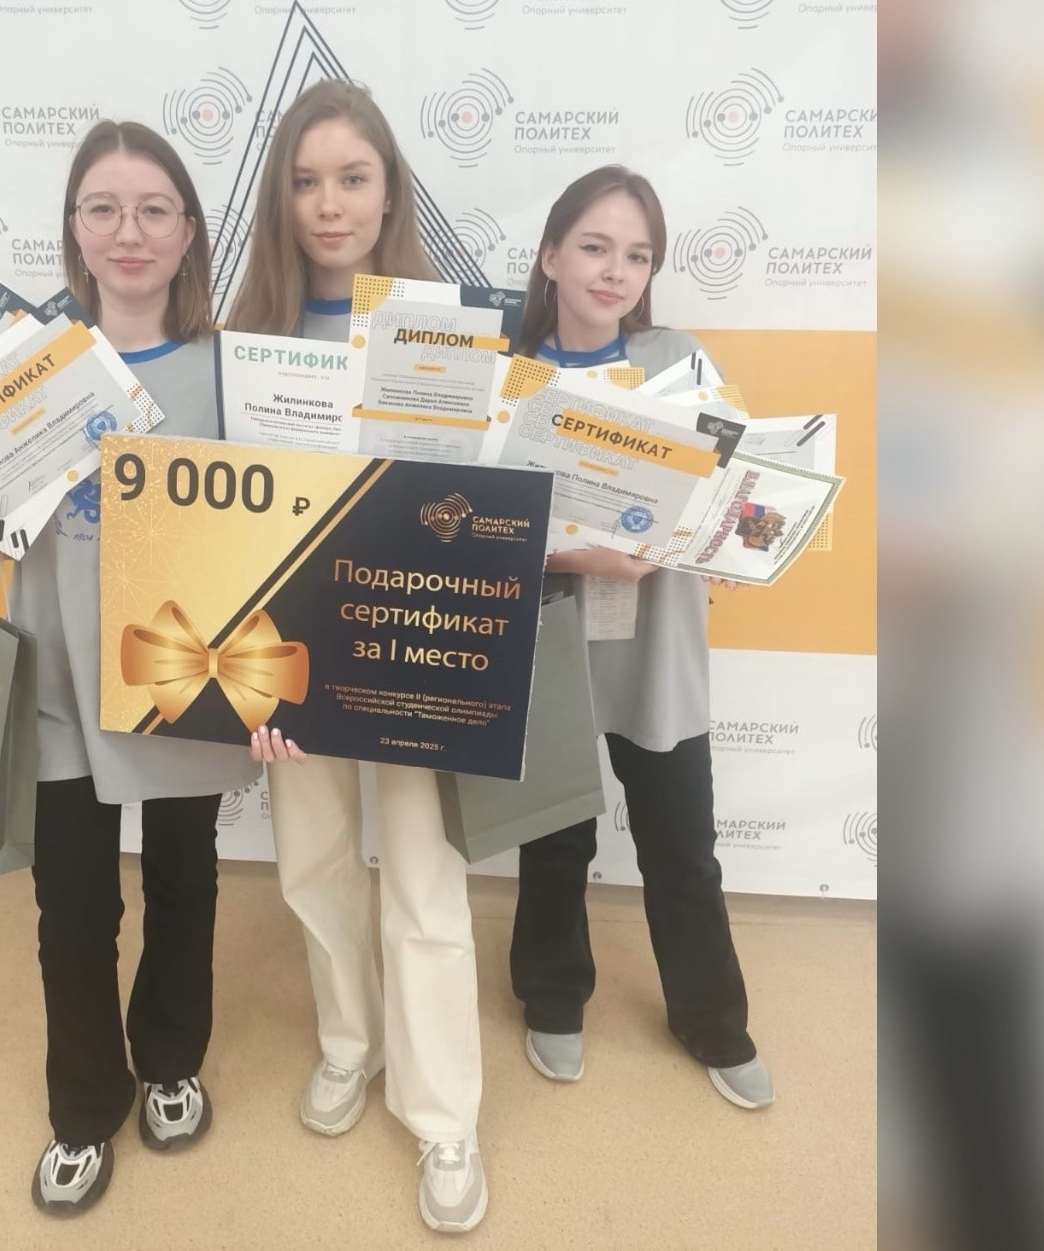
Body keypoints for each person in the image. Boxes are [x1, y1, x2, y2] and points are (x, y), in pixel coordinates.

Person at [0, 120, 259, 1216]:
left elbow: (271, 535)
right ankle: (83, 1105)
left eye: (154, 208)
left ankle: (170, 1060)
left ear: (189, 230)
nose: (129, 231)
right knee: (71, 905)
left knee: (185, 880)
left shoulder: (235, 371)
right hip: (60, 676)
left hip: (182, 676)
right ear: (73, 228)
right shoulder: (21, 367)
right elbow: (0, 529)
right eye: (103, 208)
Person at [230, 78, 489, 1234]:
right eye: (305, 181)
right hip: (292, 651)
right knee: (313, 860)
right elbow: (223, 521)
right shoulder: (249, 339)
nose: (329, 204)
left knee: (426, 875)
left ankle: (444, 1115)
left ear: (389, 193)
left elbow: (483, 501)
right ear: (281, 200)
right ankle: (351, 1040)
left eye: (352, 178)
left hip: (416, 641)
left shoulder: (447, 331)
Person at [506, 165, 776, 1112]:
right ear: (549, 256)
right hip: (548, 637)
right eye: (593, 246)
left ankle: (712, 1018)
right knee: (554, 837)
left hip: (655, 643)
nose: (614, 270)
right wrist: (573, 552)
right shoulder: (510, 374)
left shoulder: (680, 362)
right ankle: (551, 994)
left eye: (637, 254)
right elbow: (470, 518)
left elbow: (740, 495)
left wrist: (725, 539)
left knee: (682, 844)